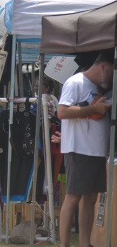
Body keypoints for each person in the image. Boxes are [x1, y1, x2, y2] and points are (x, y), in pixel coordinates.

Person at [57, 50, 113, 247]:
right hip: (79, 149)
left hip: (97, 151)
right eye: (113, 71)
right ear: (103, 67)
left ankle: (85, 243)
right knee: (73, 196)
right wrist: (94, 109)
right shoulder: (75, 82)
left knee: (91, 198)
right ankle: (64, 244)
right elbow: (62, 111)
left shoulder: (97, 87)